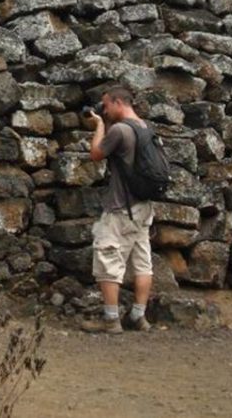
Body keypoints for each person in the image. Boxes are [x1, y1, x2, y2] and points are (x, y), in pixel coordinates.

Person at [80, 86, 154, 334]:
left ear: (118, 102)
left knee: (107, 256)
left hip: (121, 207)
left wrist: (100, 123)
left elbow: (96, 154)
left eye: (107, 105)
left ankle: (111, 320)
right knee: (142, 261)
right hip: (144, 207)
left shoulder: (120, 130)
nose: (105, 109)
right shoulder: (144, 127)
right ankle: (139, 317)